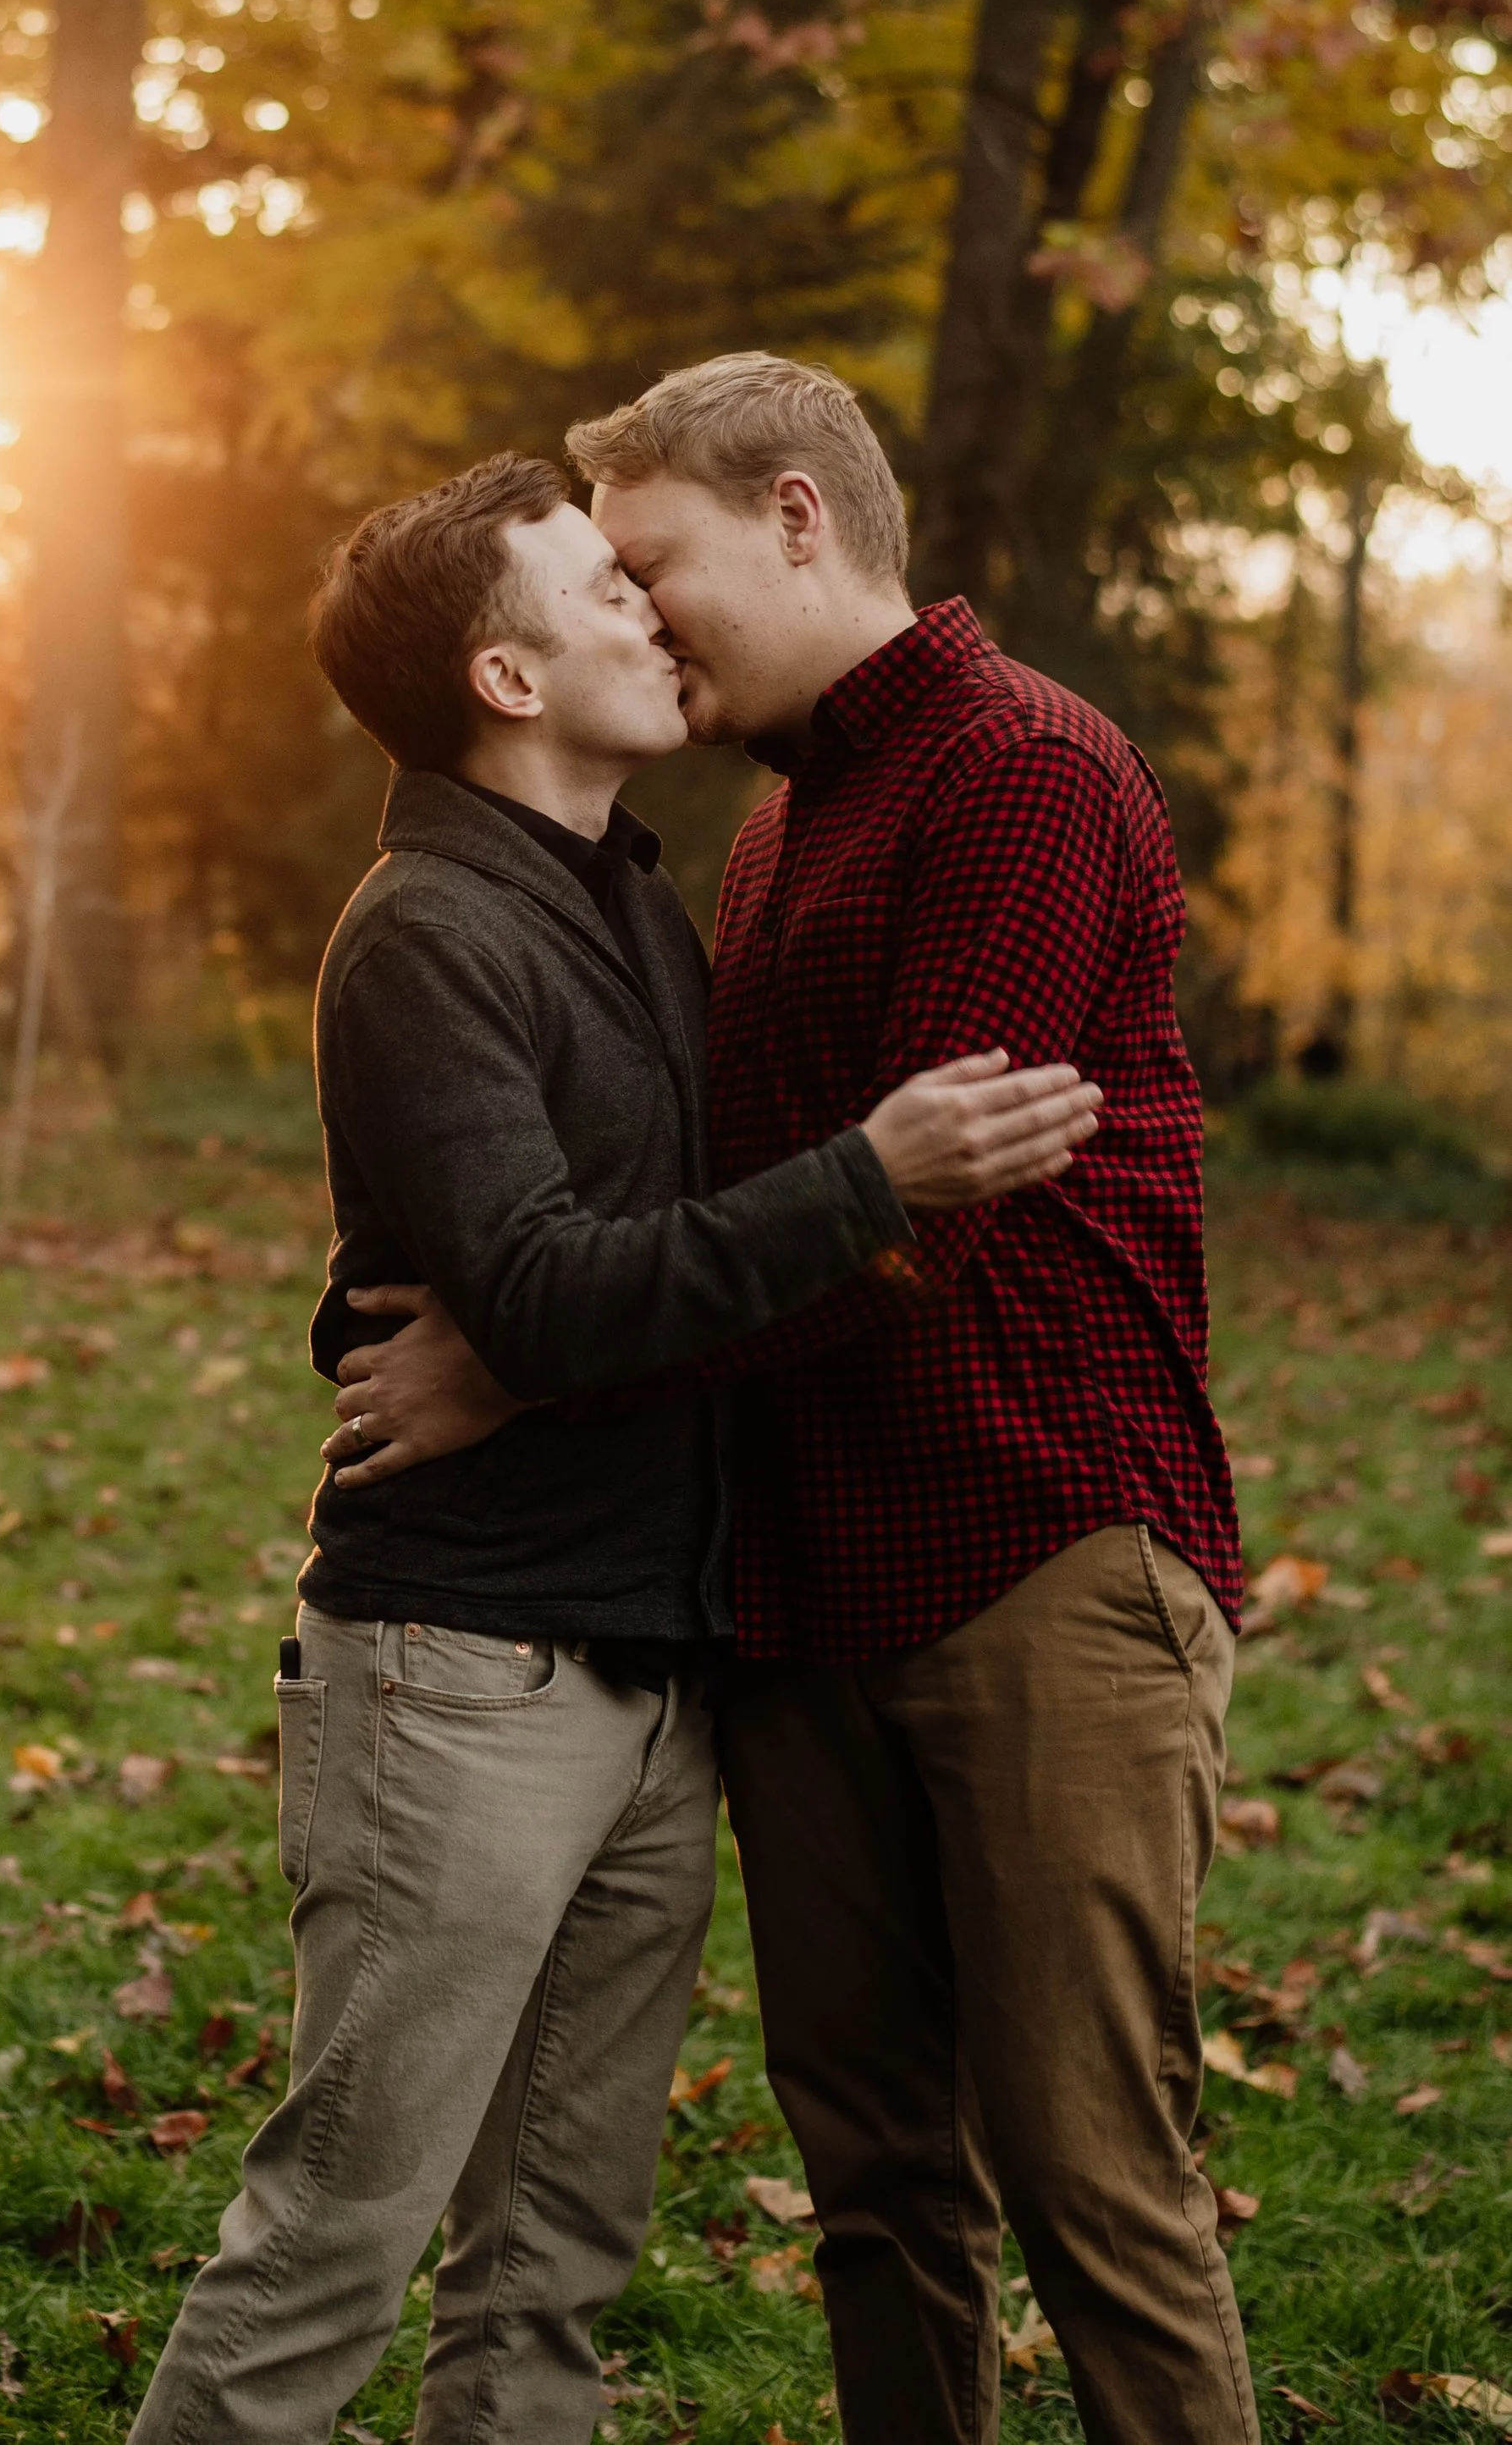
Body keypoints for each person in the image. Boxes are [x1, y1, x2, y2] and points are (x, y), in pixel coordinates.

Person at [127, 447, 1099, 2445]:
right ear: (502, 679)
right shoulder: (424, 939)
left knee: (551, 2269)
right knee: (336, 2240)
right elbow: (558, 1289)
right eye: (600, 590)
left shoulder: (636, 904)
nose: (651, 612)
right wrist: (871, 1177)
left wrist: (536, 1344)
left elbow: (600, 1282)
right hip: (463, 1680)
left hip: (651, 1679)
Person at [326, 357, 1254, 2445]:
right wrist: (544, 1317)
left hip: (1040, 1556)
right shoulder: (770, 840)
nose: (643, 618)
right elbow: (742, 1211)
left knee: (1095, 2187)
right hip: (812, 1589)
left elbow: (924, 1232)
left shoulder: (1025, 770)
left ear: (799, 523)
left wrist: (518, 1356)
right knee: (877, 2187)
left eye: (655, 566)